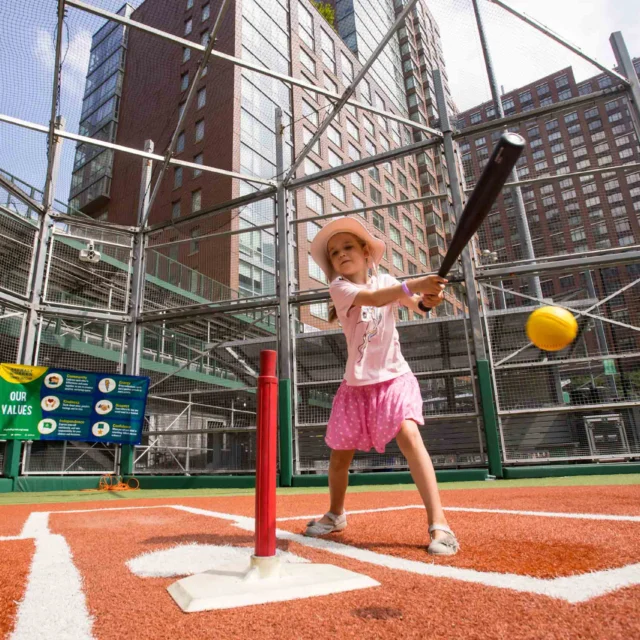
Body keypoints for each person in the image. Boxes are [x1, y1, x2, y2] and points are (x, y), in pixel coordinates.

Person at [305, 217, 459, 556]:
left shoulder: (388, 280)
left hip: (394, 378)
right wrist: (416, 283)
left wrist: (428, 298)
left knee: (409, 436)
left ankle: (439, 524)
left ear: (364, 252)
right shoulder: (341, 289)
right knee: (338, 460)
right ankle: (336, 515)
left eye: (348, 247)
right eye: (334, 253)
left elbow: (418, 305)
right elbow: (376, 299)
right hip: (355, 387)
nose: (341, 255)